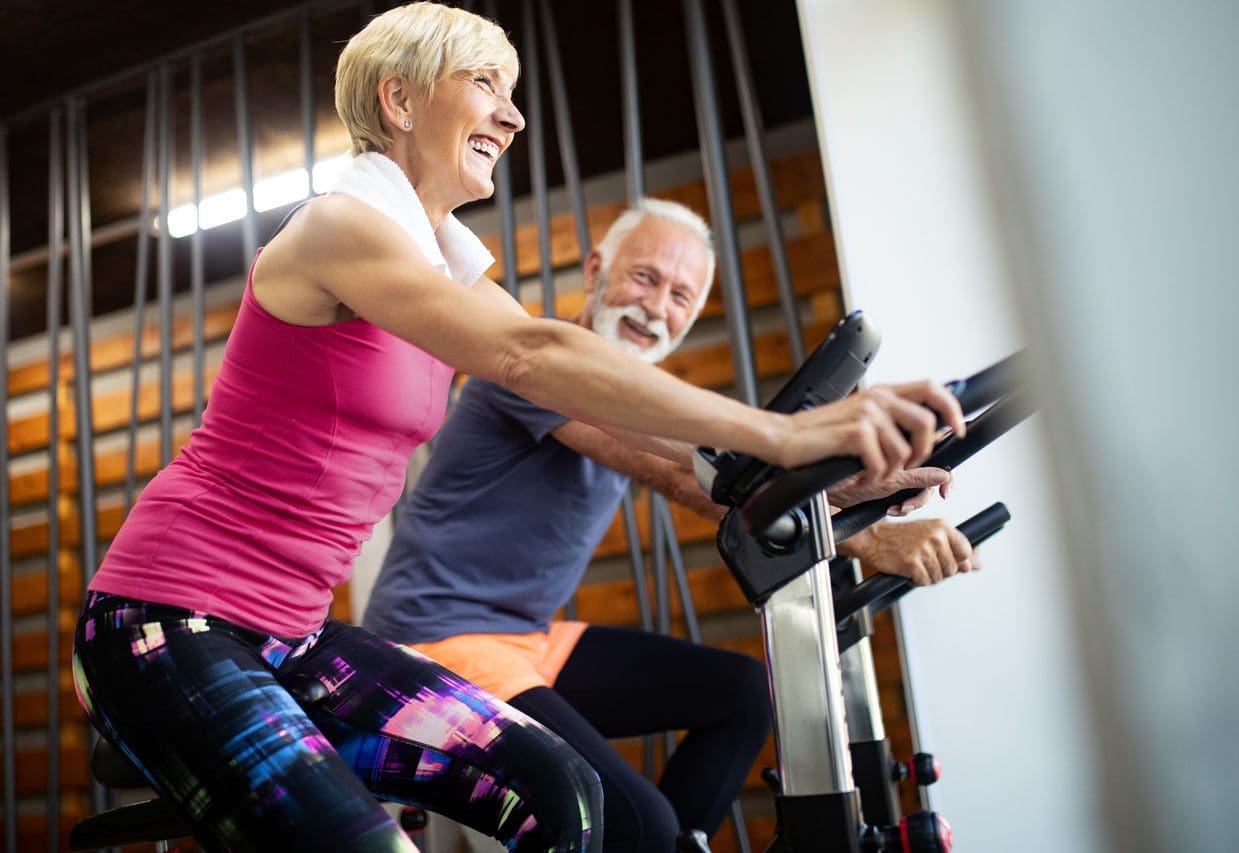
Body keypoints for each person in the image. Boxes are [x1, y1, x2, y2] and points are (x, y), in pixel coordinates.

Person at [69, 3, 962, 851]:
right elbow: (533, 353)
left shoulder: (442, 266)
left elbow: (628, 408)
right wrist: (787, 435)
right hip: (167, 620)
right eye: (488, 84)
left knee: (566, 793)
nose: (514, 114)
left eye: (512, 90)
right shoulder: (340, 227)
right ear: (401, 97)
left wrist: (837, 479)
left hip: (296, 635)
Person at [362, 199, 978, 852]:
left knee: (740, 693)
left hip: (527, 638)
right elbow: (683, 476)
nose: (657, 308)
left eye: (681, 295)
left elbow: (717, 476)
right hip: (432, 639)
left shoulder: (639, 402)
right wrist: (872, 538)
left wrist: (850, 487)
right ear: (595, 270)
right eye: (645, 278)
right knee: (637, 821)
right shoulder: (536, 361)